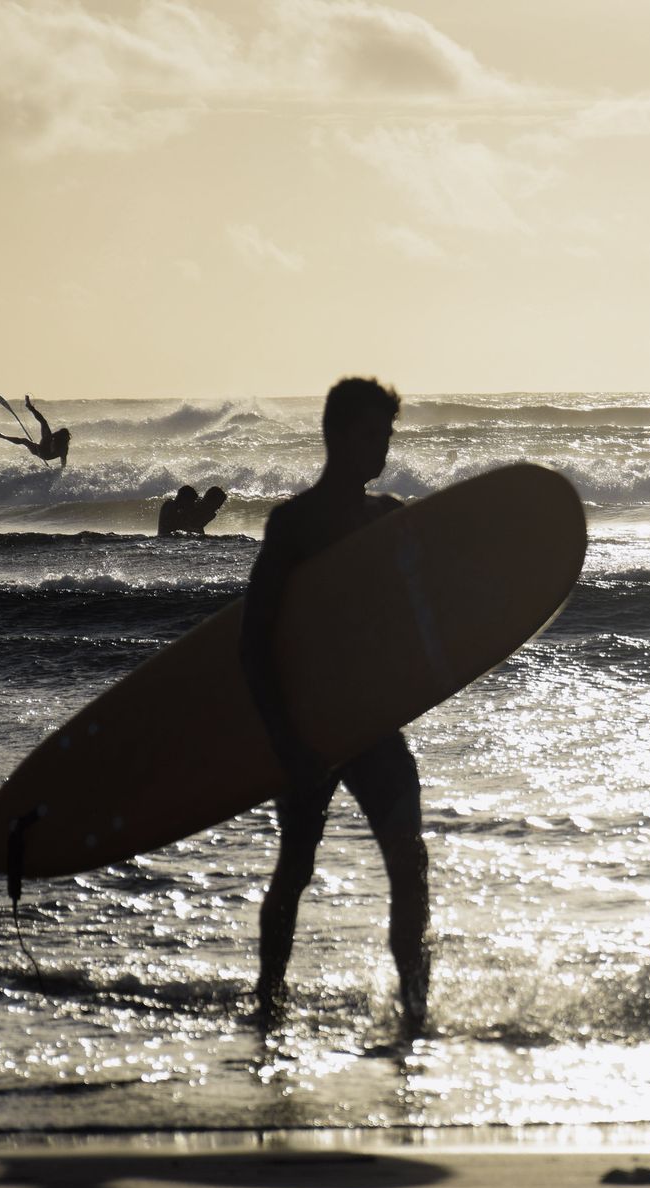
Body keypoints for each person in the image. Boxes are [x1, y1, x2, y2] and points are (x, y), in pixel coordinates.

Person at [239, 377, 428, 1038]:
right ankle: (269, 1002)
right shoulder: (294, 525)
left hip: (374, 724)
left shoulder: (389, 518)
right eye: (374, 434)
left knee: (409, 863)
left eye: (388, 435)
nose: (383, 447)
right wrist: (287, 742)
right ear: (340, 435)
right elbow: (254, 642)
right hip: (313, 727)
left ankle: (414, 1008)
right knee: (295, 869)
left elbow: (421, 622)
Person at [0, 395, 71, 467]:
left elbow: (63, 463)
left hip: (42, 453)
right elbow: (50, 437)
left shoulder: (63, 448)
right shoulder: (55, 437)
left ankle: (3, 436)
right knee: (44, 422)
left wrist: (59, 472)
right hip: (41, 448)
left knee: (24, 440)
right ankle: (30, 407)